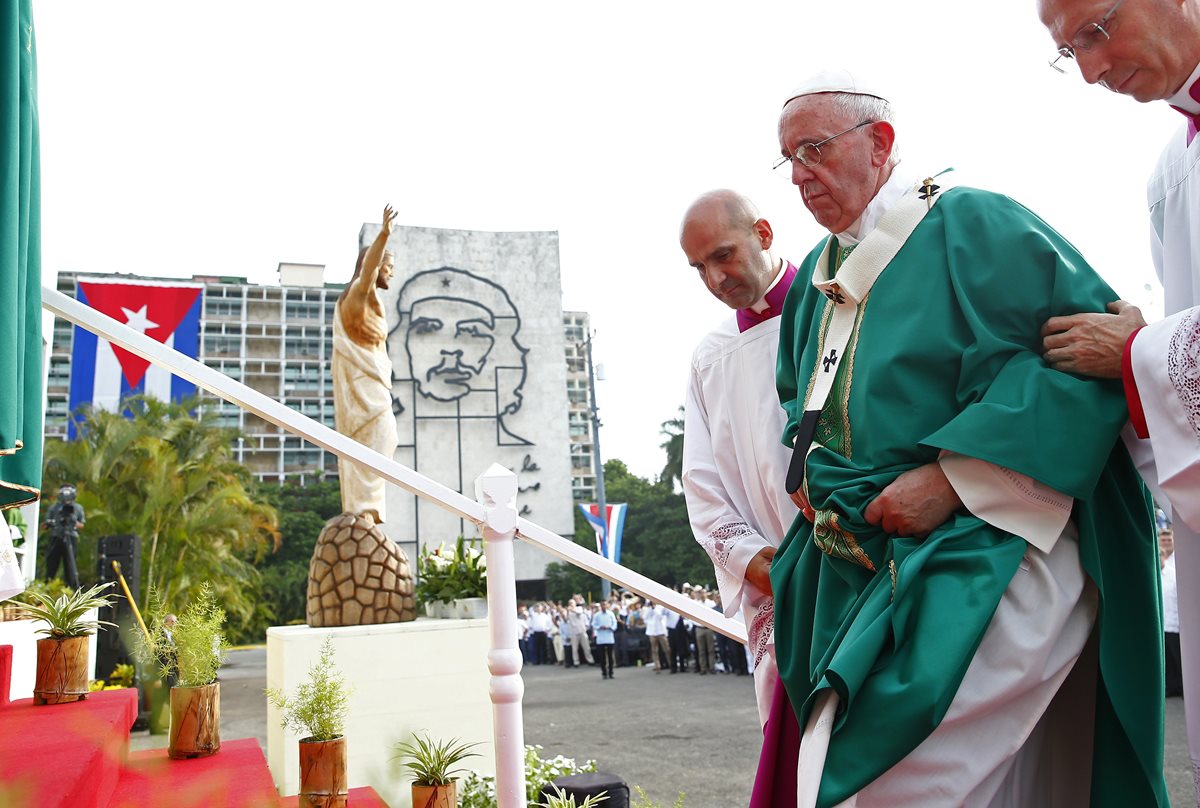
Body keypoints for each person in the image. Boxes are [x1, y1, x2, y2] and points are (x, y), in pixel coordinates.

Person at [751, 70, 1166, 807]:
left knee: (888, 781)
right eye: (787, 160)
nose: (798, 176)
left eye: (813, 149)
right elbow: (799, 403)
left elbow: (1091, 362)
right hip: (857, 559)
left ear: (879, 143)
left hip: (986, 545)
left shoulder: (976, 224)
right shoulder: (821, 273)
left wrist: (954, 481)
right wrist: (812, 474)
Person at [1035, 0, 1200, 792]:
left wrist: (1140, 354)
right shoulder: (1173, 171)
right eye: (1072, 53)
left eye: (1097, 31)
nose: (1093, 70)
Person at [678, 189, 800, 720]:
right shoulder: (710, 356)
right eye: (699, 268)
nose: (714, 279)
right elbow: (701, 485)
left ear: (764, 234)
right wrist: (752, 561)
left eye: (723, 255)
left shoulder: (841, 308)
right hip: (774, 577)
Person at [332, 205, 399, 523]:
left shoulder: (373, 303)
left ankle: (369, 513)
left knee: (384, 444)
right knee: (376, 442)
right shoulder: (357, 296)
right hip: (363, 390)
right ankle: (363, 512)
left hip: (374, 383)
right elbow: (368, 271)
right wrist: (384, 234)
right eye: (389, 265)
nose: (392, 271)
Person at [42, 484, 85, 588]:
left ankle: (71, 589)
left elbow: (81, 524)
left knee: (70, 565)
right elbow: (44, 525)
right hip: (56, 537)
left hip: (71, 537)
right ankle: (48, 586)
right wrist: (52, 523)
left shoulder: (78, 508)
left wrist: (72, 522)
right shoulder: (54, 507)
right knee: (51, 564)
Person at [592, 600, 617, 680]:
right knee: (602, 657)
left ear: (607, 606)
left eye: (605, 605)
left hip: (609, 637)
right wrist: (599, 627)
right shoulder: (597, 615)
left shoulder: (611, 614)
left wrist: (611, 627)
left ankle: (611, 672)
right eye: (602, 605)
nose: (603, 606)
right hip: (601, 638)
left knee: (610, 656)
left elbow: (614, 624)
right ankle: (604, 673)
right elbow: (593, 624)